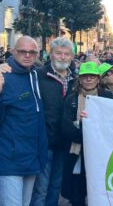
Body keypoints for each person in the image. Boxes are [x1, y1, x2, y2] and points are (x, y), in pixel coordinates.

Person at [0, 36, 48, 206]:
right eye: (22, 51)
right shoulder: (2, 77)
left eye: (32, 52)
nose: (27, 55)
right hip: (10, 160)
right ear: (13, 51)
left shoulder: (35, 74)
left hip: (32, 158)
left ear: (37, 54)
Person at [30, 37, 75, 206]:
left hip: (65, 143)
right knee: (41, 188)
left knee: (56, 185)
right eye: (58, 53)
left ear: (71, 56)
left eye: (66, 54)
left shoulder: (75, 79)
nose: (62, 57)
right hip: (45, 141)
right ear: (51, 55)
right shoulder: (38, 75)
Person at [61, 61, 113, 206]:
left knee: (99, 191)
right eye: (85, 76)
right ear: (80, 79)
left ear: (98, 78)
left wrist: (83, 128)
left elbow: (112, 124)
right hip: (76, 154)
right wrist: (85, 130)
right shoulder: (71, 98)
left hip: (100, 154)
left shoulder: (107, 96)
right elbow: (65, 127)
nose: (88, 79)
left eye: (92, 76)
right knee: (77, 192)